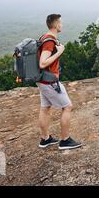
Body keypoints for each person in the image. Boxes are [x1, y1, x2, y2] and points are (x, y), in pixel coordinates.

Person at [36, 14, 82, 150]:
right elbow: (43, 63)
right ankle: (65, 140)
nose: (62, 25)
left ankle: (45, 139)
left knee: (45, 108)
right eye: (60, 23)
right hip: (49, 81)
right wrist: (59, 52)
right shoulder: (49, 41)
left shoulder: (44, 37)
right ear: (56, 25)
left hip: (42, 80)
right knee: (67, 107)